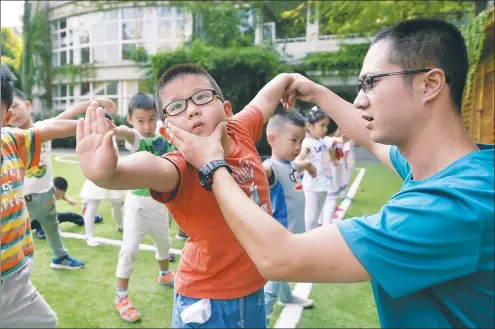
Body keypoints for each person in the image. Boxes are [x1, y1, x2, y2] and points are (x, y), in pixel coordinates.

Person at [162, 18, 494, 328]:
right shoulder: (465, 170)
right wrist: (317, 91)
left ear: (430, 84)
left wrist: (212, 165)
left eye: (371, 83)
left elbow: (279, 258)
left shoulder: (452, 208)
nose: (360, 101)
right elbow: (373, 142)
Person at [75, 64, 301, 328]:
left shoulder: (240, 130)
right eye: (177, 107)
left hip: (254, 288)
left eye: (202, 97)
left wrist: (288, 79)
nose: (192, 109)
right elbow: (147, 166)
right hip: (207, 302)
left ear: (226, 110)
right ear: (166, 131)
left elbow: (266, 97)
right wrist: (106, 174)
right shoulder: (179, 168)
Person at [1, 64, 77, 327]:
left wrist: (92, 123)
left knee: (46, 322)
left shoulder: (12, 141)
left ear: (4, 117)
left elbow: (52, 128)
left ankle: (60, 255)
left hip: (16, 281)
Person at [7, 88, 104, 270]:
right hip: (23, 200)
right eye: (8, 111)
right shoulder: (11, 138)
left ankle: (60, 257)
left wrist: (95, 103)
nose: (13, 114)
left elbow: (68, 114)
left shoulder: (43, 127)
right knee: (14, 236)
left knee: (52, 227)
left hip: (46, 193)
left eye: (16, 106)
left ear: (28, 106)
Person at [108, 92, 175, 323]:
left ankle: (165, 274)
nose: (147, 126)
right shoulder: (136, 138)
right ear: (130, 119)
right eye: (140, 120)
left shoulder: (164, 136)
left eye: (151, 119)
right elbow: (129, 134)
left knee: (164, 242)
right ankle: (121, 296)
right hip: (137, 204)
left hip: (161, 204)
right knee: (130, 249)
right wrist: (115, 130)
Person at [262, 110, 315, 325]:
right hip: (280, 238)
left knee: (281, 274)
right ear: (272, 140)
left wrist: (308, 165)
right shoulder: (270, 167)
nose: (298, 146)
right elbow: (262, 170)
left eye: (301, 141)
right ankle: (262, 320)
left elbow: (298, 166)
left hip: (291, 235)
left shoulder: (291, 165)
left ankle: (286, 297)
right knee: (271, 284)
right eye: (293, 140)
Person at [79, 112, 127, 247]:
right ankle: (89, 236)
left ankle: (120, 225)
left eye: (107, 122)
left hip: (112, 175)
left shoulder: (112, 137)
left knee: (117, 203)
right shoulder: (92, 138)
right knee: (92, 205)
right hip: (96, 175)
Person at [295, 107, 338, 230]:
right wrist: (305, 164)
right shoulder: (308, 143)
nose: (325, 129)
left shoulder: (322, 141)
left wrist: (333, 159)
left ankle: (312, 239)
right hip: (312, 186)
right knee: (310, 217)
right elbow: (300, 158)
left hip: (323, 185)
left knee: (317, 214)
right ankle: (307, 241)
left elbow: (331, 148)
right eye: (322, 125)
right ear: (309, 126)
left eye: (327, 126)